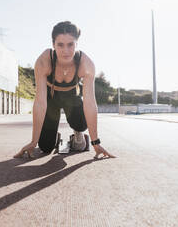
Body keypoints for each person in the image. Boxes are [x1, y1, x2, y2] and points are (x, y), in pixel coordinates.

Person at [14, 21, 115, 159]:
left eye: (70, 44)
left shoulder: (86, 64)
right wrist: (33, 141)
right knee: (45, 147)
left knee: (81, 123)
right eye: (60, 45)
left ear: (76, 44)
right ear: (53, 44)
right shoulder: (44, 61)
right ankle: (53, 136)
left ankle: (78, 133)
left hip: (72, 97)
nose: (66, 51)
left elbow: (90, 103)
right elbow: (40, 102)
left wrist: (95, 143)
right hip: (51, 98)